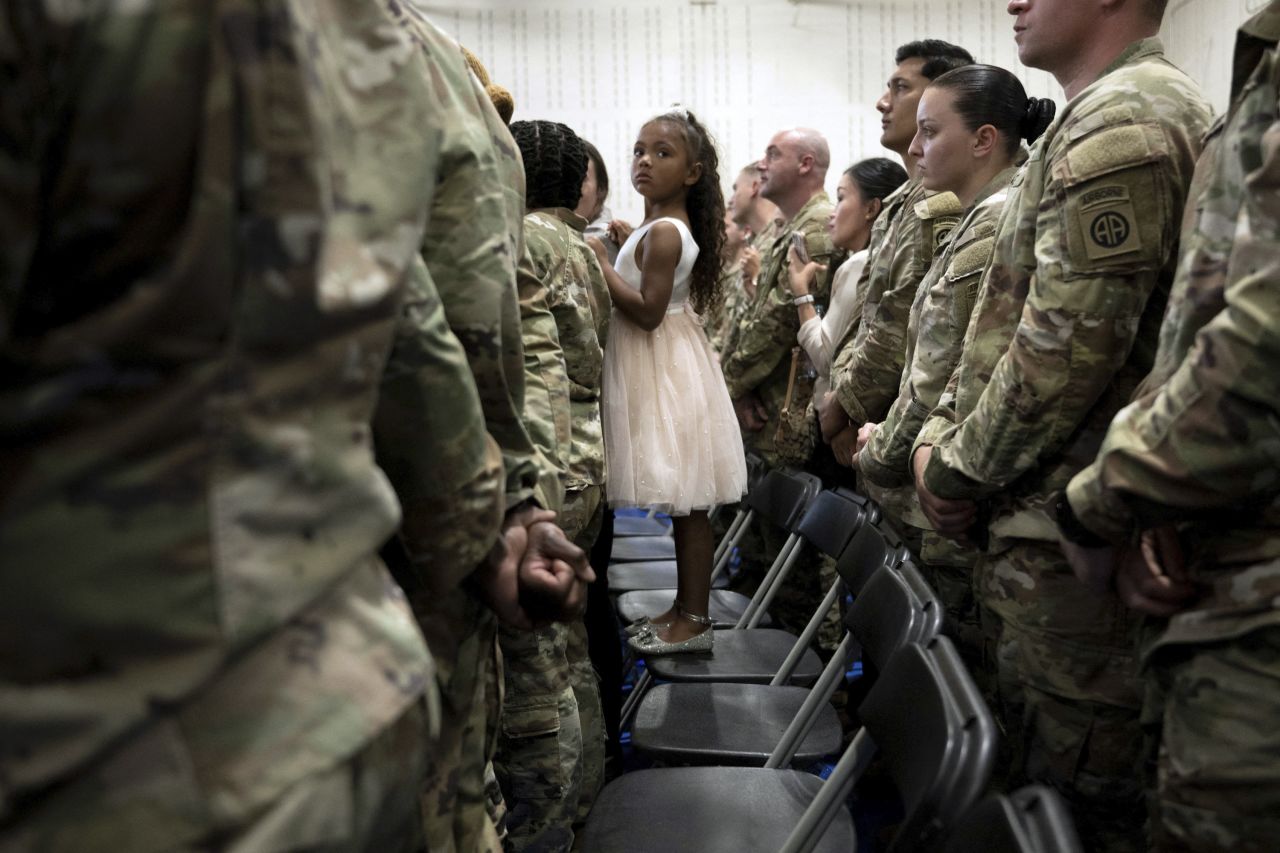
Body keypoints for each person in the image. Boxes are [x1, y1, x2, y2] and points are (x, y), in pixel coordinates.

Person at [0, 4, 582, 850]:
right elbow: (427, 318)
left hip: (93, 734)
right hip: (332, 676)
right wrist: (501, 514)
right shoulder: (382, 39)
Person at [909, 0, 1212, 846]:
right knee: (1031, 787)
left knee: (1073, 805)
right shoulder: (1106, 110)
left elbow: (1065, 350)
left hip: (1072, 546)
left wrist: (956, 467)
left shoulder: (1127, 116)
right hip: (1045, 522)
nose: (1013, 1)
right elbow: (1005, 331)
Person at [1059, 2, 1280, 848]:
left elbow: (1073, 343)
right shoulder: (1251, 64)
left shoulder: (1134, 113)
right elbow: (1192, 330)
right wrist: (1150, 494)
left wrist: (1109, 496)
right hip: (1204, 557)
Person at [385, 17, 595, 852]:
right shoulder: (421, 71)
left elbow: (445, 336)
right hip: (517, 476)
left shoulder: (402, 71)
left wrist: (502, 507)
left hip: (399, 535)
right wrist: (513, 501)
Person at [854, 63, 1054, 735]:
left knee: (964, 704)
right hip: (937, 470)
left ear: (984, 140)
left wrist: (882, 452)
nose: (914, 146)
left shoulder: (994, 219)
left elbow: (942, 376)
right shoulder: (975, 216)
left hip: (955, 491)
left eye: (932, 131)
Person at [588, 109, 748, 655]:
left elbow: (649, 311)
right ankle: (684, 608)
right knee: (685, 499)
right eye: (638, 150)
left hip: (664, 366)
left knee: (689, 500)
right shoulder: (659, 230)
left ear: (692, 173)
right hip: (665, 363)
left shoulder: (664, 233)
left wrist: (601, 265)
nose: (644, 161)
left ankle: (697, 617)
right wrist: (626, 248)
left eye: (662, 153)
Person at [496, 119, 610, 852]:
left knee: (540, 670)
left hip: (542, 460)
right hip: (580, 453)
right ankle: (587, 800)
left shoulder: (527, 238)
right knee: (571, 654)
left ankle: (549, 821)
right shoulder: (582, 247)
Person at [820, 38, 973, 500]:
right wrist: (843, 404)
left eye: (900, 88)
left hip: (905, 435)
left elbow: (902, 322)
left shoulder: (941, 204)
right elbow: (866, 324)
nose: (882, 102)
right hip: (874, 425)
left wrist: (844, 406)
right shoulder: (904, 203)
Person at [787, 157, 908, 404]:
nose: (832, 213)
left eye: (841, 198)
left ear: (871, 209)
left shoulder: (859, 265)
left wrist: (801, 294)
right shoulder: (890, 257)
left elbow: (825, 359)